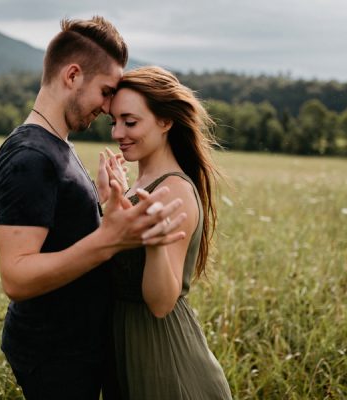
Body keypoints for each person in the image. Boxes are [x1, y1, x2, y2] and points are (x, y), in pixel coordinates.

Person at [0, 18, 186, 400]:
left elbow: (61, 231)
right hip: (54, 354)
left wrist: (102, 203)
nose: (108, 106)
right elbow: (16, 277)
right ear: (73, 75)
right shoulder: (30, 157)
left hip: (75, 348)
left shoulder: (56, 145)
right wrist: (110, 239)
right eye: (106, 91)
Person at [100, 66, 233, 399]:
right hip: (130, 349)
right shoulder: (139, 186)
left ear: (165, 121)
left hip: (162, 359)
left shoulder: (173, 191)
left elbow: (161, 303)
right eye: (113, 121)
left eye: (130, 122)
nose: (118, 132)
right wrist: (110, 202)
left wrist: (157, 245)